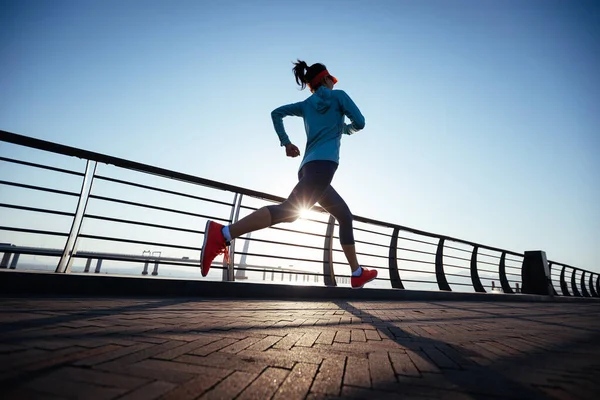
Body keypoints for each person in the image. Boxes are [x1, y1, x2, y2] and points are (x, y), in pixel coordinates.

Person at [200, 60, 378, 289]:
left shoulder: (305, 105)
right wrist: (344, 129)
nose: (333, 84)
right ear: (325, 79)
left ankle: (356, 273)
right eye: (331, 80)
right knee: (290, 210)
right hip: (323, 167)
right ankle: (224, 233)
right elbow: (360, 123)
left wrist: (286, 143)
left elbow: (277, 113)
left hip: (307, 167)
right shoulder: (339, 97)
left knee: (344, 215)